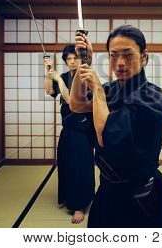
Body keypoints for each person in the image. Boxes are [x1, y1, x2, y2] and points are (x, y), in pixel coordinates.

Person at [69, 25, 162, 228]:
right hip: (107, 189)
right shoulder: (111, 89)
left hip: (141, 194)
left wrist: (97, 90)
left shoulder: (153, 97)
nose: (120, 63)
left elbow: (106, 137)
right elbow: (77, 104)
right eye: (113, 55)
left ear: (144, 57)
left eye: (128, 55)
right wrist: (84, 64)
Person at [44, 45, 95, 224]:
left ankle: (80, 206)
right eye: (69, 59)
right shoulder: (65, 76)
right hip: (68, 128)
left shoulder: (86, 77)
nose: (72, 62)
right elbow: (50, 91)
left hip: (83, 130)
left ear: (82, 59)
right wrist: (48, 72)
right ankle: (68, 198)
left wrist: (59, 79)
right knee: (65, 163)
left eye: (75, 58)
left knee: (80, 167)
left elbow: (71, 101)